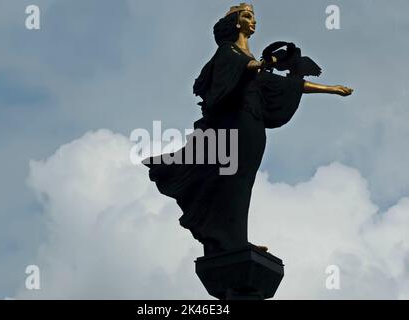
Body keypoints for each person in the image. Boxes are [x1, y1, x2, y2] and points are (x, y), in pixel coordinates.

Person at [143, 3, 353, 256]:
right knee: (232, 179)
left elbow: (285, 84)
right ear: (235, 24)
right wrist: (265, 62)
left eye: (253, 17)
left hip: (253, 125)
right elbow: (247, 69)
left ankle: (235, 238)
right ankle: (225, 240)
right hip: (236, 124)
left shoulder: (249, 59)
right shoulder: (227, 53)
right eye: (247, 16)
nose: (253, 21)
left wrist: (331, 89)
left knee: (243, 181)